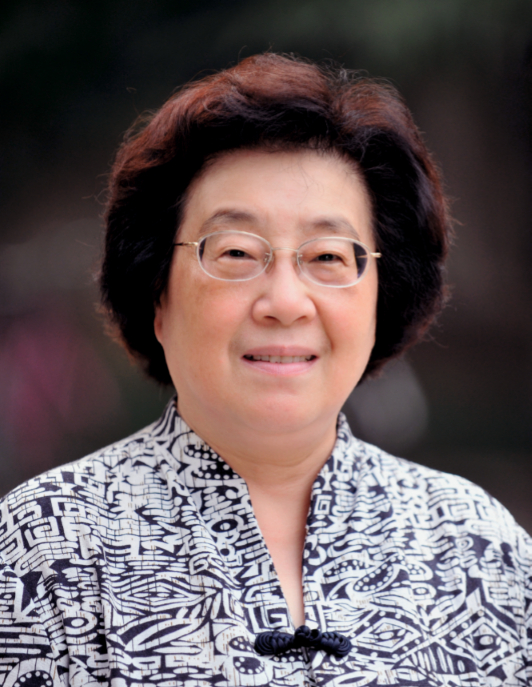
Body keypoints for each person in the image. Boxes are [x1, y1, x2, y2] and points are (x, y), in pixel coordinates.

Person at [0, 53, 530, 687]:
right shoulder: (43, 550)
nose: (285, 302)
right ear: (157, 296)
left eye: (328, 257)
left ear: (380, 297)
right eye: (235, 252)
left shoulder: (479, 548)